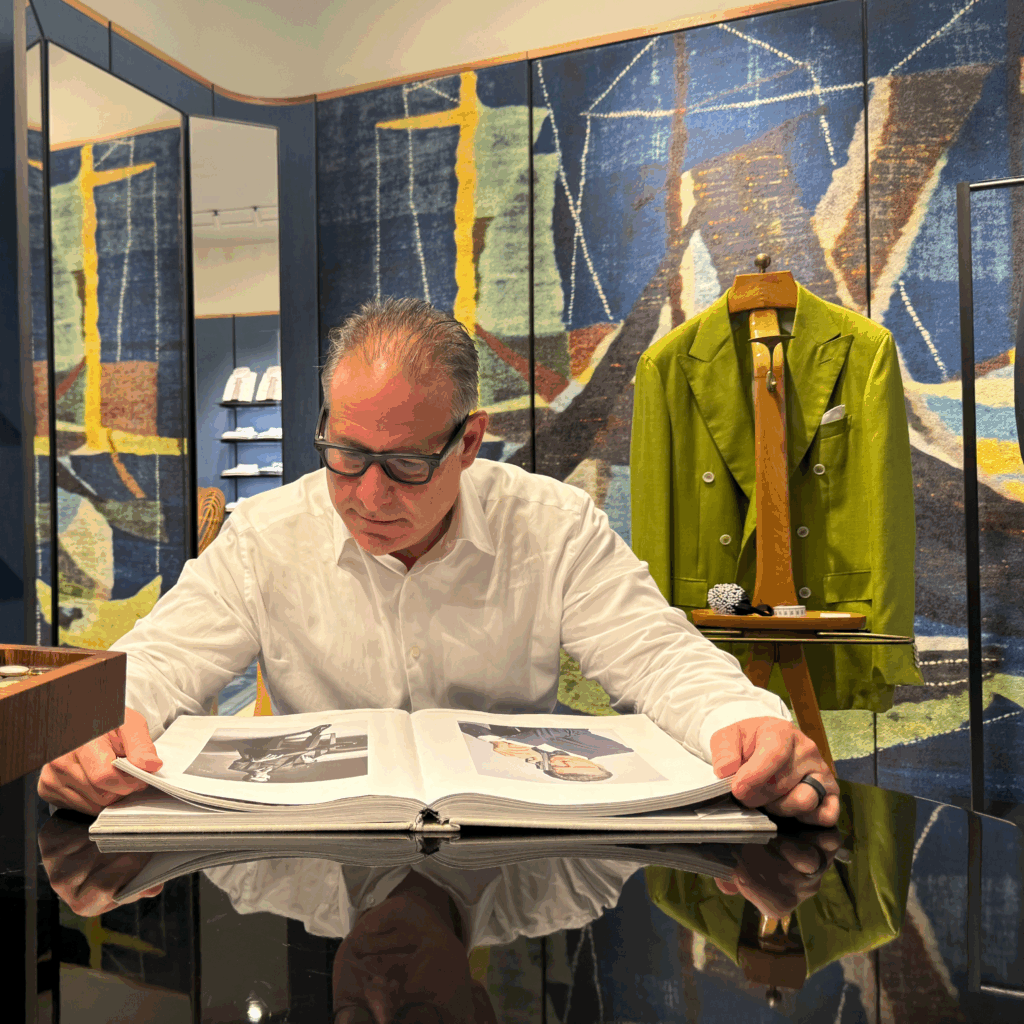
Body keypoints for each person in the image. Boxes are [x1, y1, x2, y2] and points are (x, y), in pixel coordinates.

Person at [37, 297, 839, 826]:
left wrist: (745, 723)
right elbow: (160, 658)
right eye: (345, 455)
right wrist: (99, 722)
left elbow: (659, 657)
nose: (368, 496)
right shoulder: (264, 533)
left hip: (512, 839)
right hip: (321, 839)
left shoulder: (552, 525)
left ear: (469, 441)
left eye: (407, 464)